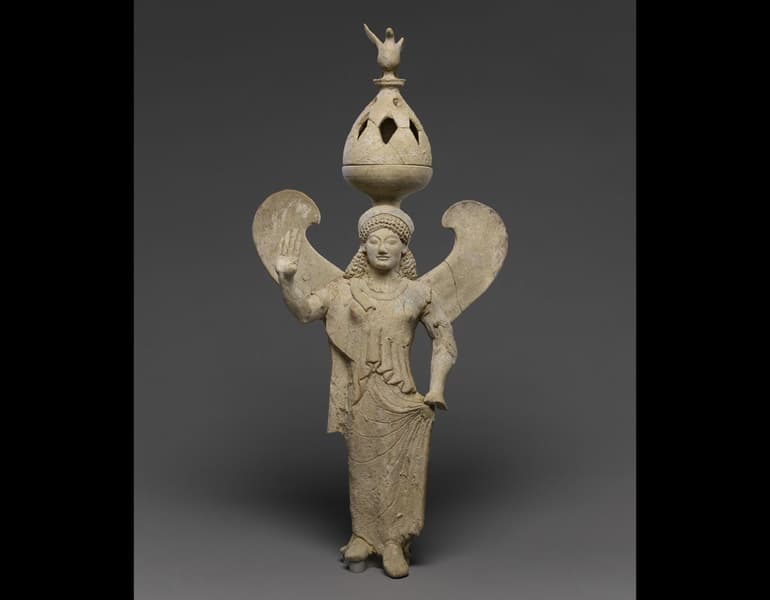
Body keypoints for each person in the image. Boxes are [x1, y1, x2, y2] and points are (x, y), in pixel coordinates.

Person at [274, 205, 457, 578]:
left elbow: (445, 341)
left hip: (403, 396)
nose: (383, 247)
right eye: (374, 240)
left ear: (404, 248)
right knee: (362, 466)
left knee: (402, 470)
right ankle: (362, 536)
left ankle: (394, 542)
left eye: (391, 240)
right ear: (363, 247)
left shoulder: (419, 292)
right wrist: (287, 280)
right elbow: (305, 312)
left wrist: (436, 387)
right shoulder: (342, 290)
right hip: (360, 392)